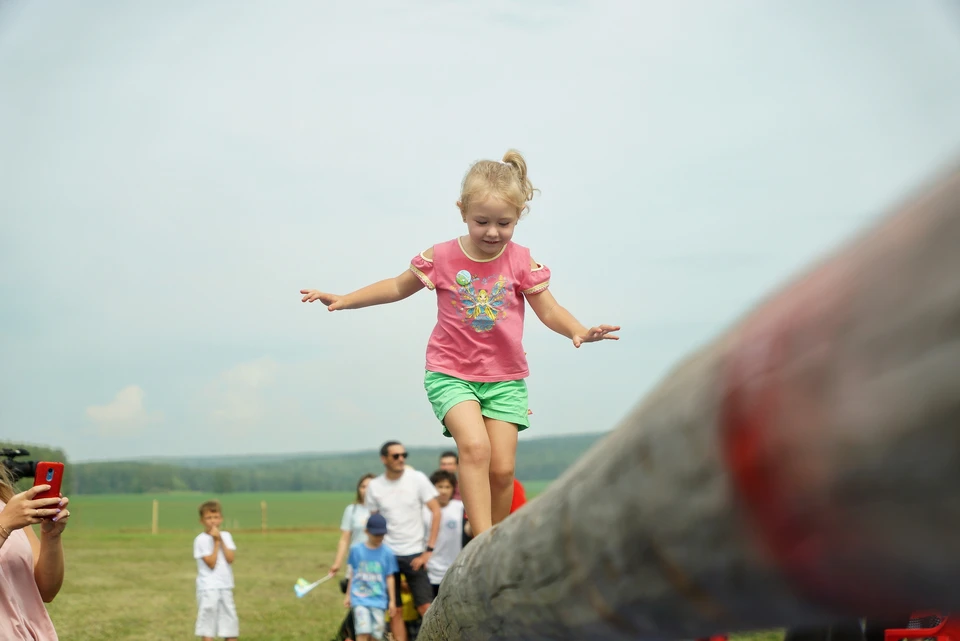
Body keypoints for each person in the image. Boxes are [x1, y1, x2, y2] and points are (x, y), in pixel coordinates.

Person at [300, 149, 619, 538]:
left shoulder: (521, 261)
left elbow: (549, 309)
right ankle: (480, 536)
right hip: (450, 373)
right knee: (474, 449)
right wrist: (345, 298)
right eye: (481, 221)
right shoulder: (442, 256)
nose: (492, 232)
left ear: (519, 217)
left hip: (505, 377)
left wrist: (578, 330)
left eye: (505, 223)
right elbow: (397, 287)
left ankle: (495, 542)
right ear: (462, 210)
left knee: (502, 471)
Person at [365, 441, 441, 641]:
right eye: (396, 456)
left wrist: (428, 550)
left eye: (404, 455)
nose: (401, 459)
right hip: (387, 555)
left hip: (414, 552)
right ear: (384, 459)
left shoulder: (417, 479)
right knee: (394, 609)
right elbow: (374, 523)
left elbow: (436, 511)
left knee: (426, 606)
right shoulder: (374, 486)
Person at [0, 466, 70, 641]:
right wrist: (4, 526)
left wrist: (51, 536)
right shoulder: (9, 515)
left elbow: (46, 591)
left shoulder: (6, 501)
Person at [344, 513, 399, 641]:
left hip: (379, 600)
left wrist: (392, 601)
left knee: (376, 635)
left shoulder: (388, 553)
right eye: (376, 535)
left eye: (381, 535)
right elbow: (353, 574)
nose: (379, 538)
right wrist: (348, 595)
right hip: (360, 599)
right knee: (363, 631)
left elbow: (390, 577)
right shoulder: (356, 550)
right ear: (366, 531)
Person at [193, 499, 238, 641]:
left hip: (225, 585)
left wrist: (221, 540)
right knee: (208, 624)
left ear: (221, 519)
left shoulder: (227, 536)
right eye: (208, 518)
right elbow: (211, 563)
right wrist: (216, 542)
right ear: (202, 521)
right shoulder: (200, 540)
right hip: (208, 587)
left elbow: (230, 558)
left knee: (229, 622)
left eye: (216, 517)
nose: (213, 521)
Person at [422, 470, 464, 596]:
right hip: (429, 571)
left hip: (454, 571)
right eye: (440, 487)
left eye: (447, 487)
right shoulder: (423, 510)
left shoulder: (460, 507)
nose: (444, 491)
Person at [331, 473, 375, 577]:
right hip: (356, 561)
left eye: (370, 487)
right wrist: (337, 563)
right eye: (363, 487)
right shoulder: (351, 510)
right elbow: (344, 539)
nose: (365, 490)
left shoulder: (384, 510)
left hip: (377, 562)